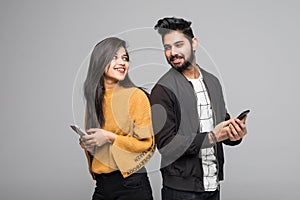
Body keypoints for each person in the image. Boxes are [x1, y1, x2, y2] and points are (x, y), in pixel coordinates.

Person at [150, 17, 248, 200]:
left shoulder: (212, 82)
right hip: (181, 191)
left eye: (179, 45)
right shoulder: (162, 90)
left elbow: (221, 123)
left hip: (213, 185)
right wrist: (212, 137)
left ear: (194, 43)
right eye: (167, 47)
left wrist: (235, 134)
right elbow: (166, 144)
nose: (172, 53)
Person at [80, 37, 155, 200]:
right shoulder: (95, 99)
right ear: (100, 61)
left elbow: (147, 144)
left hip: (130, 184)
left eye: (125, 58)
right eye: (114, 57)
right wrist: (89, 143)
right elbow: (99, 147)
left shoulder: (136, 96)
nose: (122, 62)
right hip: (102, 184)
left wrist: (109, 137)